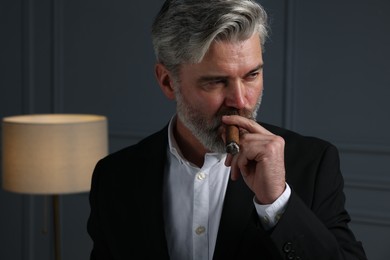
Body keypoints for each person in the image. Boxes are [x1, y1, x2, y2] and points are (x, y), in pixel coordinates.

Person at [87, 0, 367, 259]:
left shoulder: (314, 163)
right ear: (167, 82)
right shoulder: (114, 177)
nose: (241, 101)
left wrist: (277, 203)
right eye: (216, 81)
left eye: (252, 75)